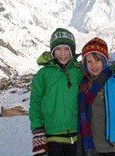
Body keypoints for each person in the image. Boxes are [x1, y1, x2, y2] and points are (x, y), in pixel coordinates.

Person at [29, 28, 84, 156]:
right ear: (53, 51)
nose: (62, 53)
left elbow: (97, 73)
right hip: (52, 136)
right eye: (58, 49)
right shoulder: (43, 74)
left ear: (72, 51)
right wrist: (37, 129)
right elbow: (35, 102)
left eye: (66, 49)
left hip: (78, 134)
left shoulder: (78, 71)